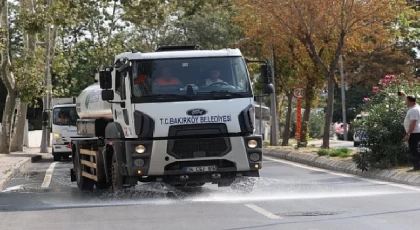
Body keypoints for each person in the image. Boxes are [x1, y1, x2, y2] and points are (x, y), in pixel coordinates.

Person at [399, 91, 420, 171]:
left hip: (414, 132)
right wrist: (404, 95)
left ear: (410, 102)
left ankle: (417, 166)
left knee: (413, 150)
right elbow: (409, 99)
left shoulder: (414, 110)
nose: (405, 102)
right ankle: (417, 165)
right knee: (414, 149)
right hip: (415, 131)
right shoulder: (415, 106)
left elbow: (413, 123)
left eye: (406, 100)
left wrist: (408, 134)